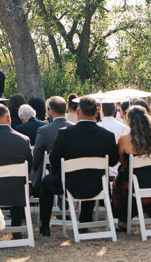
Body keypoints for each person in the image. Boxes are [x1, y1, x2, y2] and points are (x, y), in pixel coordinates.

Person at [40, 96, 118, 237]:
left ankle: (45, 226)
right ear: (96, 113)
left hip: (70, 185)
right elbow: (113, 161)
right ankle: (84, 223)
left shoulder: (65, 134)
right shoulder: (107, 135)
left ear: (77, 112)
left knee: (46, 182)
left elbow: (54, 160)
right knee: (90, 175)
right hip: (98, 186)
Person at [112, 106, 151, 225]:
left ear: (128, 120)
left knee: (119, 182)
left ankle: (124, 220)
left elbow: (122, 160)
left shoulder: (124, 140)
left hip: (134, 183)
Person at [31, 96, 71, 196]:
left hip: (52, 174)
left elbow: (37, 155)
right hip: (72, 173)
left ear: (51, 111)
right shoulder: (74, 127)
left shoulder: (44, 130)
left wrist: (34, 167)